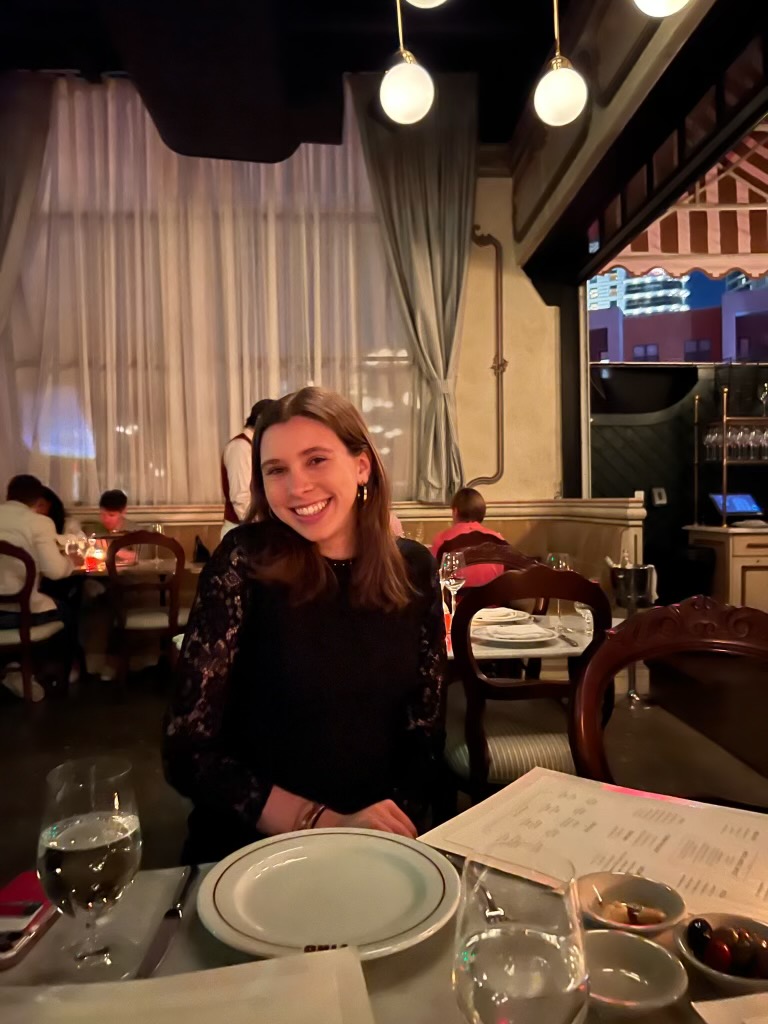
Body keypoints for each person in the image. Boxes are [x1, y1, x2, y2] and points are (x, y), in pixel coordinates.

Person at [165, 387, 445, 863]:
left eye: (316, 460)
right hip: (254, 852)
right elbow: (189, 754)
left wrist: (397, 833)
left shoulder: (414, 567)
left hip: (382, 846)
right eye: (277, 470)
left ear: (362, 466)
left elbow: (424, 733)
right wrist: (321, 822)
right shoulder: (241, 565)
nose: (297, 487)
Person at [0, 475, 80, 700]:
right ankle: (62, 674)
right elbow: (55, 572)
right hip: (20, 614)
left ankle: (13, 668)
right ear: (37, 500)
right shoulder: (39, 522)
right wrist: (72, 562)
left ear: (8, 494)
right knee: (67, 611)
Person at [430, 486, 506, 589]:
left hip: (456, 603)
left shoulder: (443, 539)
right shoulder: (498, 539)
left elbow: (432, 574)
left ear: (455, 511)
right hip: (493, 604)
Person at [220, 399, 275, 539]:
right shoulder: (241, 447)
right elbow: (241, 498)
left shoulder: (254, 446)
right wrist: (262, 529)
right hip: (242, 531)